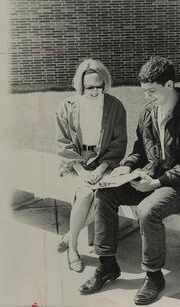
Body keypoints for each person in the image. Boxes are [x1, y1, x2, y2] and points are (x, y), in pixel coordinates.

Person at [79, 56, 180, 304]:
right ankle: (106, 264)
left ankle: (153, 276)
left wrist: (157, 183)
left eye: (152, 91)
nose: (147, 97)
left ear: (170, 85)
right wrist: (127, 167)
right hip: (150, 176)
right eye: (144, 91)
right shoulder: (149, 112)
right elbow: (140, 149)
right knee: (105, 194)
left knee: (147, 210)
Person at [55, 58, 127, 273]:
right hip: (75, 164)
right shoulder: (66, 106)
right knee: (86, 194)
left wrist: (100, 168)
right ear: (80, 85)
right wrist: (80, 169)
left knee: (103, 196)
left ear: (105, 84)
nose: (95, 91)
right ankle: (73, 248)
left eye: (99, 86)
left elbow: (118, 142)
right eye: (89, 87)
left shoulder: (115, 106)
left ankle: (68, 236)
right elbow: (62, 142)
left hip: (104, 164)